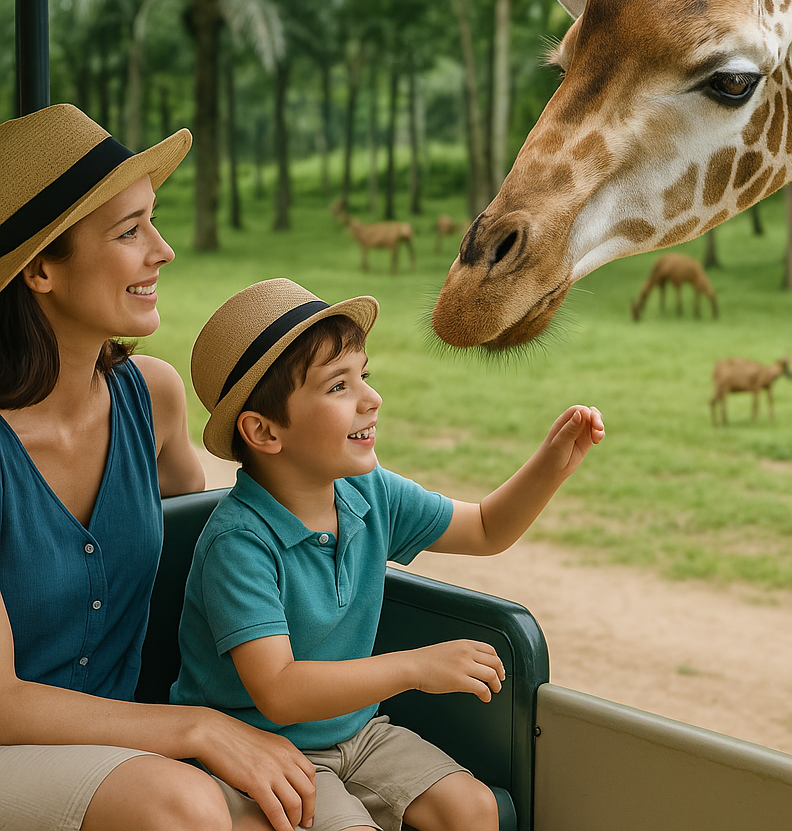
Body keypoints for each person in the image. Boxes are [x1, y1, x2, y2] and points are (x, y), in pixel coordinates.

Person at [174, 277, 605, 831]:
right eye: (338, 387)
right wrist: (417, 667)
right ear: (263, 431)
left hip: (357, 730)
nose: (371, 399)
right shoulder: (240, 543)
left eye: (365, 376)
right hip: (265, 750)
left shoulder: (366, 491)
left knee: (474, 810)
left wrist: (552, 464)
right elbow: (279, 691)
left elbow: (486, 528)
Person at [0, 104, 318, 831]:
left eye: (154, 220)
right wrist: (201, 730)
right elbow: (3, 702)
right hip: (14, 745)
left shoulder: (153, 399)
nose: (163, 250)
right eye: (130, 230)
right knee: (181, 803)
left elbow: (214, 539)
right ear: (41, 267)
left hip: (122, 749)